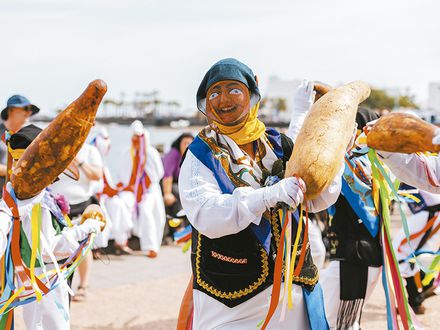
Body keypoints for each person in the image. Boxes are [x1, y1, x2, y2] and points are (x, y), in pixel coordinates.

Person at [179, 58, 343, 329]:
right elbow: (206, 212)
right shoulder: (201, 153)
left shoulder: (278, 144)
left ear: (252, 91)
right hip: (232, 301)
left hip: (294, 293)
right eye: (214, 92)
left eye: (233, 89)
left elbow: (317, 199)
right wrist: (266, 197)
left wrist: (334, 154)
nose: (223, 99)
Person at [0, 125, 104, 329]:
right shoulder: (34, 202)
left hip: (39, 278)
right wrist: (87, 228)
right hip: (43, 279)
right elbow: (48, 249)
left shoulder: (19, 196)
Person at [49, 139, 104, 302]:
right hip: (57, 205)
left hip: (82, 203)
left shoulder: (90, 151)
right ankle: (57, 284)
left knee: (83, 246)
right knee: (58, 245)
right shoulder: (55, 148)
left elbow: (97, 175)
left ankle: (83, 285)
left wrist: (78, 161)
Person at [119, 121, 166, 258]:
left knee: (155, 214)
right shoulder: (128, 153)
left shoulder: (151, 152)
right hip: (133, 190)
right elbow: (124, 176)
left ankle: (153, 245)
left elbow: (158, 173)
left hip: (151, 189)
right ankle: (126, 241)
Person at [393, 186, 440, 314]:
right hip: (430, 212)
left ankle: (417, 297)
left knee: (399, 251)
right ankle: (421, 293)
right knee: (414, 253)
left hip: (430, 211)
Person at [91, 127, 134, 254]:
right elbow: (101, 188)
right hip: (95, 198)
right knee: (116, 206)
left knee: (119, 204)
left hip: (105, 197)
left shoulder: (102, 160)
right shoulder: (94, 159)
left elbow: (108, 186)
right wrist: (117, 189)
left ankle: (120, 242)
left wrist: (118, 189)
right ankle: (95, 248)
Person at [0, 95, 40, 196]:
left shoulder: (25, 137)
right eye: (25, 108)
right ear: (11, 110)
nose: (29, 113)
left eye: (30, 110)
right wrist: (18, 172)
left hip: (19, 196)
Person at [162, 133, 194, 241]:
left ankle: (189, 229)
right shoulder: (173, 154)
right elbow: (167, 175)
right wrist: (167, 194)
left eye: (190, 143)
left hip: (181, 184)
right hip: (166, 184)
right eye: (184, 143)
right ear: (179, 144)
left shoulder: (192, 155)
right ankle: (178, 230)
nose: (187, 145)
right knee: (178, 191)